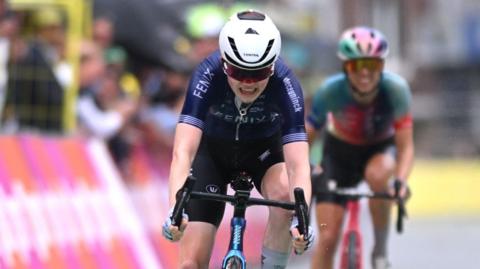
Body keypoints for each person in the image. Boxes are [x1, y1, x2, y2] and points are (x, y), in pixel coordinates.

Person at [162, 10, 314, 268]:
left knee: (286, 196)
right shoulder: (207, 74)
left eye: (258, 73)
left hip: (263, 153)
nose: (247, 83)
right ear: (224, 62)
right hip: (212, 155)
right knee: (190, 264)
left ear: (272, 66)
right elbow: (183, 152)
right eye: (238, 71)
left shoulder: (286, 82)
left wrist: (301, 219)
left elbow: (298, 164)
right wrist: (175, 211)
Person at [306, 26, 414, 269]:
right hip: (339, 155)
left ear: (382, 66)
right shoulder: (330, 91)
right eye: (356, 65)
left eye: (372, 65)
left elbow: (405, 147)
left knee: (379, 174)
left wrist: (401, 180)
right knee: (328, 238)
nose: (365, 73)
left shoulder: (396, 90)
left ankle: (380, 247)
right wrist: (302, 171)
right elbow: (306, 136)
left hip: (379, 151)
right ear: (345, 67)